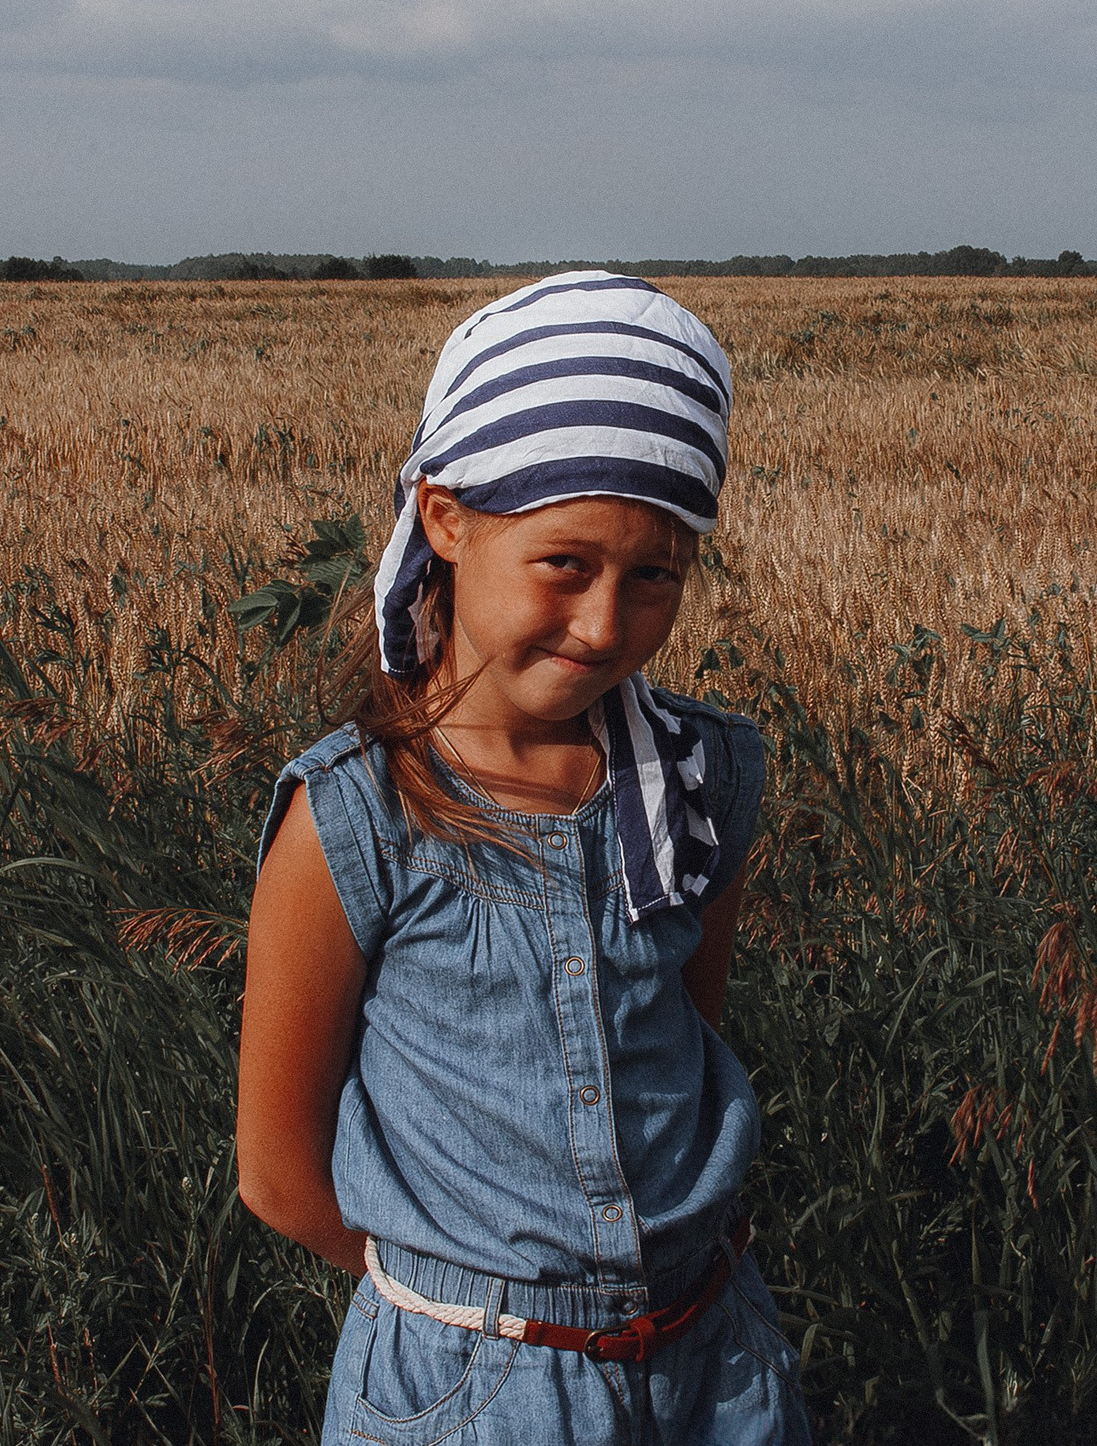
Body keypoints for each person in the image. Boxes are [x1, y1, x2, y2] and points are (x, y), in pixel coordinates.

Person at [237, 273, 809, 1445]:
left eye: (654, 573)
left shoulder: (705, 783)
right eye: (565, 563)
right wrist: (468, 1311)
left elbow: (689, 1042)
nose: (605, 625)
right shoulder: (355, 819)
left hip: (717, 1369)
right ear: (444, 518)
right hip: (474, 1391)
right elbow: (277, 1170)